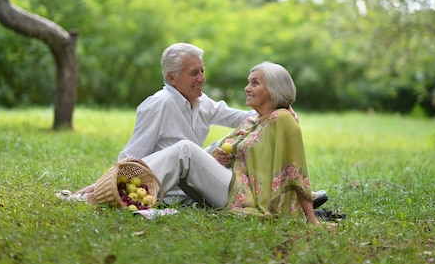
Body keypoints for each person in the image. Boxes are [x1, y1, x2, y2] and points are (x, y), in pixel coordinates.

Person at [142, 62, 326, 225]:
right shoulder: (253, 121)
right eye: (248, 82)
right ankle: (129, 184)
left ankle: (131, 189)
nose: (247, 88)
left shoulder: (283, 119)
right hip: (229, 186)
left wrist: (312, 219)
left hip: (245, 196)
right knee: (186, 151)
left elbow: (297, 172)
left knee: (186, 149)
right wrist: (220, 157)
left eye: (255, 83)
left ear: (273, 89)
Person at [76, 43, 252, 202]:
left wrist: (275, 106)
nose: (202, 79)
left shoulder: (202, 102)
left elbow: (240, 117)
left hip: (198, 188)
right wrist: (105, 186)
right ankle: (107, 195)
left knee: (210, 145)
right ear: (172, 77)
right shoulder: (159, 104)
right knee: (185, 148)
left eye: (202, 71)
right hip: (167, 192)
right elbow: (133, 154)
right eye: (194, 73)